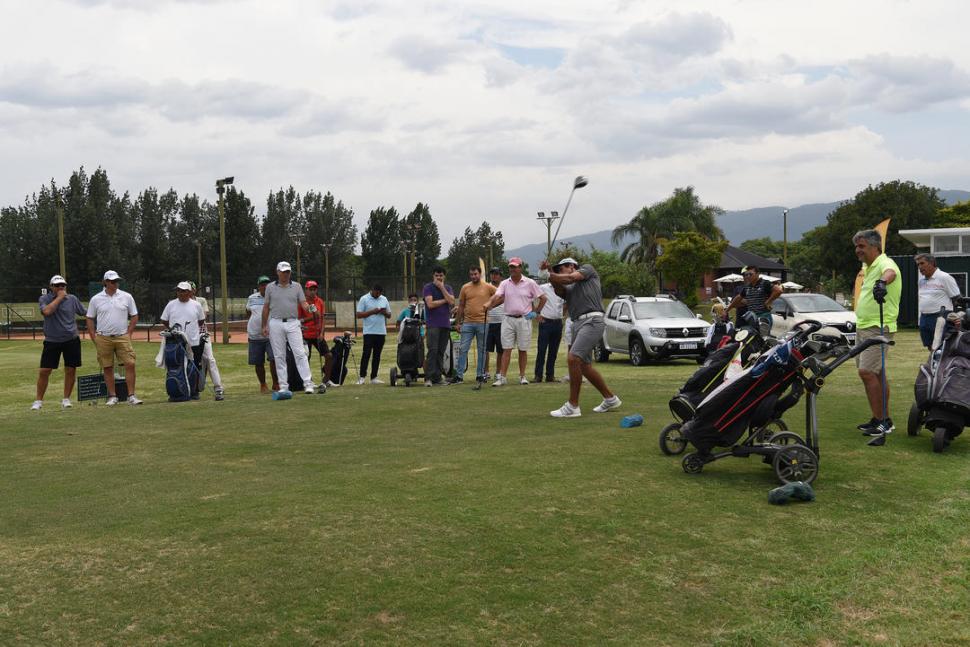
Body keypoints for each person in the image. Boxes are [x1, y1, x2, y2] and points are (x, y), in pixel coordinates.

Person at [541, 257, 620, 417]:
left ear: (570, 266)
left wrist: (548, 274)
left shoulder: (588, 270)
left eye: (560, 269)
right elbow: (559, 287)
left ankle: (572, 406)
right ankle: (610, 398)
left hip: (593, 320)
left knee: (573, 358)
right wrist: (547, 273)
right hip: (577, 323)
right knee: (584, 366)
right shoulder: (568, 288)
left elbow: (570, 277)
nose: (559, 272)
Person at [853, 229, 901, 445]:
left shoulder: (885, 262)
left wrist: (882, 283)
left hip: (878, 327)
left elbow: (890, 273)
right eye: (857, 246)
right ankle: (881, 419)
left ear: (875, 246)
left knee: (867, 372)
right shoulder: (867, 266)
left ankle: (882, 420)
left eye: (861, 246)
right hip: (864, 326)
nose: (858, 250)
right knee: (876, 373)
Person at [483, 257, 546, 386]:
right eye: (510, 267)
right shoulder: (505, 283)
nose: (512, 269)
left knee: (522, 349)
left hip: (524, 319)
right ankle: (502, 377)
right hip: (508, 319)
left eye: (515, 266)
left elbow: (543, 298)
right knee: (506, 349)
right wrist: (489, 303)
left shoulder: (530, 283)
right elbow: (497, 295)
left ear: (520, 268)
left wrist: (536, 312)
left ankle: (522, 376)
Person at [85, 270, 143, 405]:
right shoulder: (96, 299)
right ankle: (112, 396)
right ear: (105, 282)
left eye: (117, 281)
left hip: (122, 336)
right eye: (112, 281)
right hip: (103, 337)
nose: (115, 283)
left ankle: (131, 396)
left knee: (130, 364)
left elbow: (134, 315)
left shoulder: (127, 296)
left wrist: (129, 333)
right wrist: (93, 336)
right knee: (107, 366)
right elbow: (89, 318)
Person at [261, 261, 317, 398]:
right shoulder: (270, 288)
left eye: (288, 272)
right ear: (277, 272)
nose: (286, 274)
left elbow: (303, 303)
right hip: (276, 322)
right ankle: (283, 386)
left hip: (293, 322)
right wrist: (264, 325)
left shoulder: (297, 287)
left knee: (300, 353)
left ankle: (308, 383)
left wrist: (310, 308)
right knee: (279, 356)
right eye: (283, 271)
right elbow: (266, 307)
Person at [32, 274, 87, 410]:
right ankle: (38, 401)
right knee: (45, 370)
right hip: (52, 340)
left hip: (71, 339)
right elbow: (47, 311)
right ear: (51, 287)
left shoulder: (72, 299)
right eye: (57, 285)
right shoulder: (44, 298)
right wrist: (60, 297)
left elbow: (85, 312)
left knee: (70, 369)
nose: (61, 287)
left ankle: (66, 399)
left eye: (63, 285)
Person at [160, 281, 207, 399]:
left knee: (194, 365)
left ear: (190, 292)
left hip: (193, 341)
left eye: (183, 291)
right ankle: (178, 391)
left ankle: (194, 391)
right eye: (178, 291)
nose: (180, 293)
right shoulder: (171, 304)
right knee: (174, 365)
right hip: (176, 342)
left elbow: (201, 321)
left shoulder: (196, 305)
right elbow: (164, 320)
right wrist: (172, 330)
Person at [453, 265, 496, 384]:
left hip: (483, 323)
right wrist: (457, 322)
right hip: (467, 323)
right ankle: (459, 376)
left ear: (480, 274)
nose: (473, 276)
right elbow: (461, 305)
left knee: (482, 350)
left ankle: (480, 375)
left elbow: (499, 296)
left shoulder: (488, 287)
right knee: (462, 349)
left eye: (475, 274)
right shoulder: (465, 287)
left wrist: (491, 305)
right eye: (471, 274)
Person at [915, 253, 961, 349]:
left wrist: (957, 317)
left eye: (922, 263)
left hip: (940, 317)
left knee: (942, 346)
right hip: (924, 317)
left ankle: (942, 363)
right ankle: (934, 364)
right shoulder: (921, 281)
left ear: (931, 263)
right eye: (918, 264)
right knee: (929, 345)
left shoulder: (945, 277)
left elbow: (957, 299)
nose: (919, 267)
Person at [188, 281, 224, 400]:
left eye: (190, 289)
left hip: (202, 335)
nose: (187, 292)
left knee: (210, 359)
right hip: (188, 336)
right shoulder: (179, 304)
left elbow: (203, 316)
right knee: (191, 362)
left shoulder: (201, 300)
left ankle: (218, 388)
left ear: (194, 290)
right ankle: (192, 389)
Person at [299, 280, 337, 388]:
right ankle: (308, 381)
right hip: (305, 334)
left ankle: (326, 380)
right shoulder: (302, 302)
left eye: (314, 289)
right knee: (306, 358)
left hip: (317, 334)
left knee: (329, 356)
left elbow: (322, 319)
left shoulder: (319, 301)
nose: (312, 291)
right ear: (306, 290)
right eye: (310, 289)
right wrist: (311, 317)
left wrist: (321, 333)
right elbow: (299, 320)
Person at [422, 266, 456, 386]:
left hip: (445, 325)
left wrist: (442, 288)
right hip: (433, 325)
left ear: (444, 276)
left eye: (441, 275)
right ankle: (428, 378)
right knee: (432, 351)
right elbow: (430, 304)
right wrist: (444, 300)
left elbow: (452, 302)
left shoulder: (448, 288)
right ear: (433, 276)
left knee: (441, 352)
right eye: (437, 275)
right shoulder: (428, 288)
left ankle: (438, 378)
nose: (439, 277)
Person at [246, 275, 278, 394]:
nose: (265, 286)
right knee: (258, 362)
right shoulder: (252, 298)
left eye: (267, 284)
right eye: (262, 284)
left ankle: (276, 383)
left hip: (272, 335)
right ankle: (263, 385)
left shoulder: (276, 298)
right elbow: (248, 312)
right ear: (259, 286)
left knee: (274, 359)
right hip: (254, 335)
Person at [726, 265, 781, 334]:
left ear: (757, 274)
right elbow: (738, 298)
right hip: (752, 318)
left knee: (762, 339)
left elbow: (778, 290)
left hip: (763, 316)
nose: (748, 276)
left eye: (750, 274)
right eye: (746, 275)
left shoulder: (764, 283)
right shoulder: (747, 287)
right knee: (752, 340)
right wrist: (727, 310)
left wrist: (768, 301)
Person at [355, 283, 391, 384]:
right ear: (372, 290)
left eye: (380, 293)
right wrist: (373, 312)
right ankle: (362, 377)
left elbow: (389, 315)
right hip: (369, 332)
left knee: (377, 355)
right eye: (376, 293)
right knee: (366, 354)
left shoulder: (384, 299)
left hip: (381, 332)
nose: (378, 295)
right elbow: (358, 315)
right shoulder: (364, 299)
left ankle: (374, 377)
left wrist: (383, 312)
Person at [534, 280, 565, 383]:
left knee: (553, 351)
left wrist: (562, 314)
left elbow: (567, 303)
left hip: (558, 323)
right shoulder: (543, 287)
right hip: (545, 322)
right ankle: (538, 376)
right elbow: (529, 296)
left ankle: (550, 375)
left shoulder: (563, 288)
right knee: (542, 350)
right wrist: (537, 313)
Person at [483, 268, 505, 382]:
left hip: (502, 321)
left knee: (500, 350)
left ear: (500, 276)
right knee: (486, 349)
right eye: (492, 274)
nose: (494, 276)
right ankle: (486, 372)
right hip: (488, 321)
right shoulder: (486, 287)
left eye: (496, 274)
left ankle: (498, 372)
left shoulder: (505, 286)